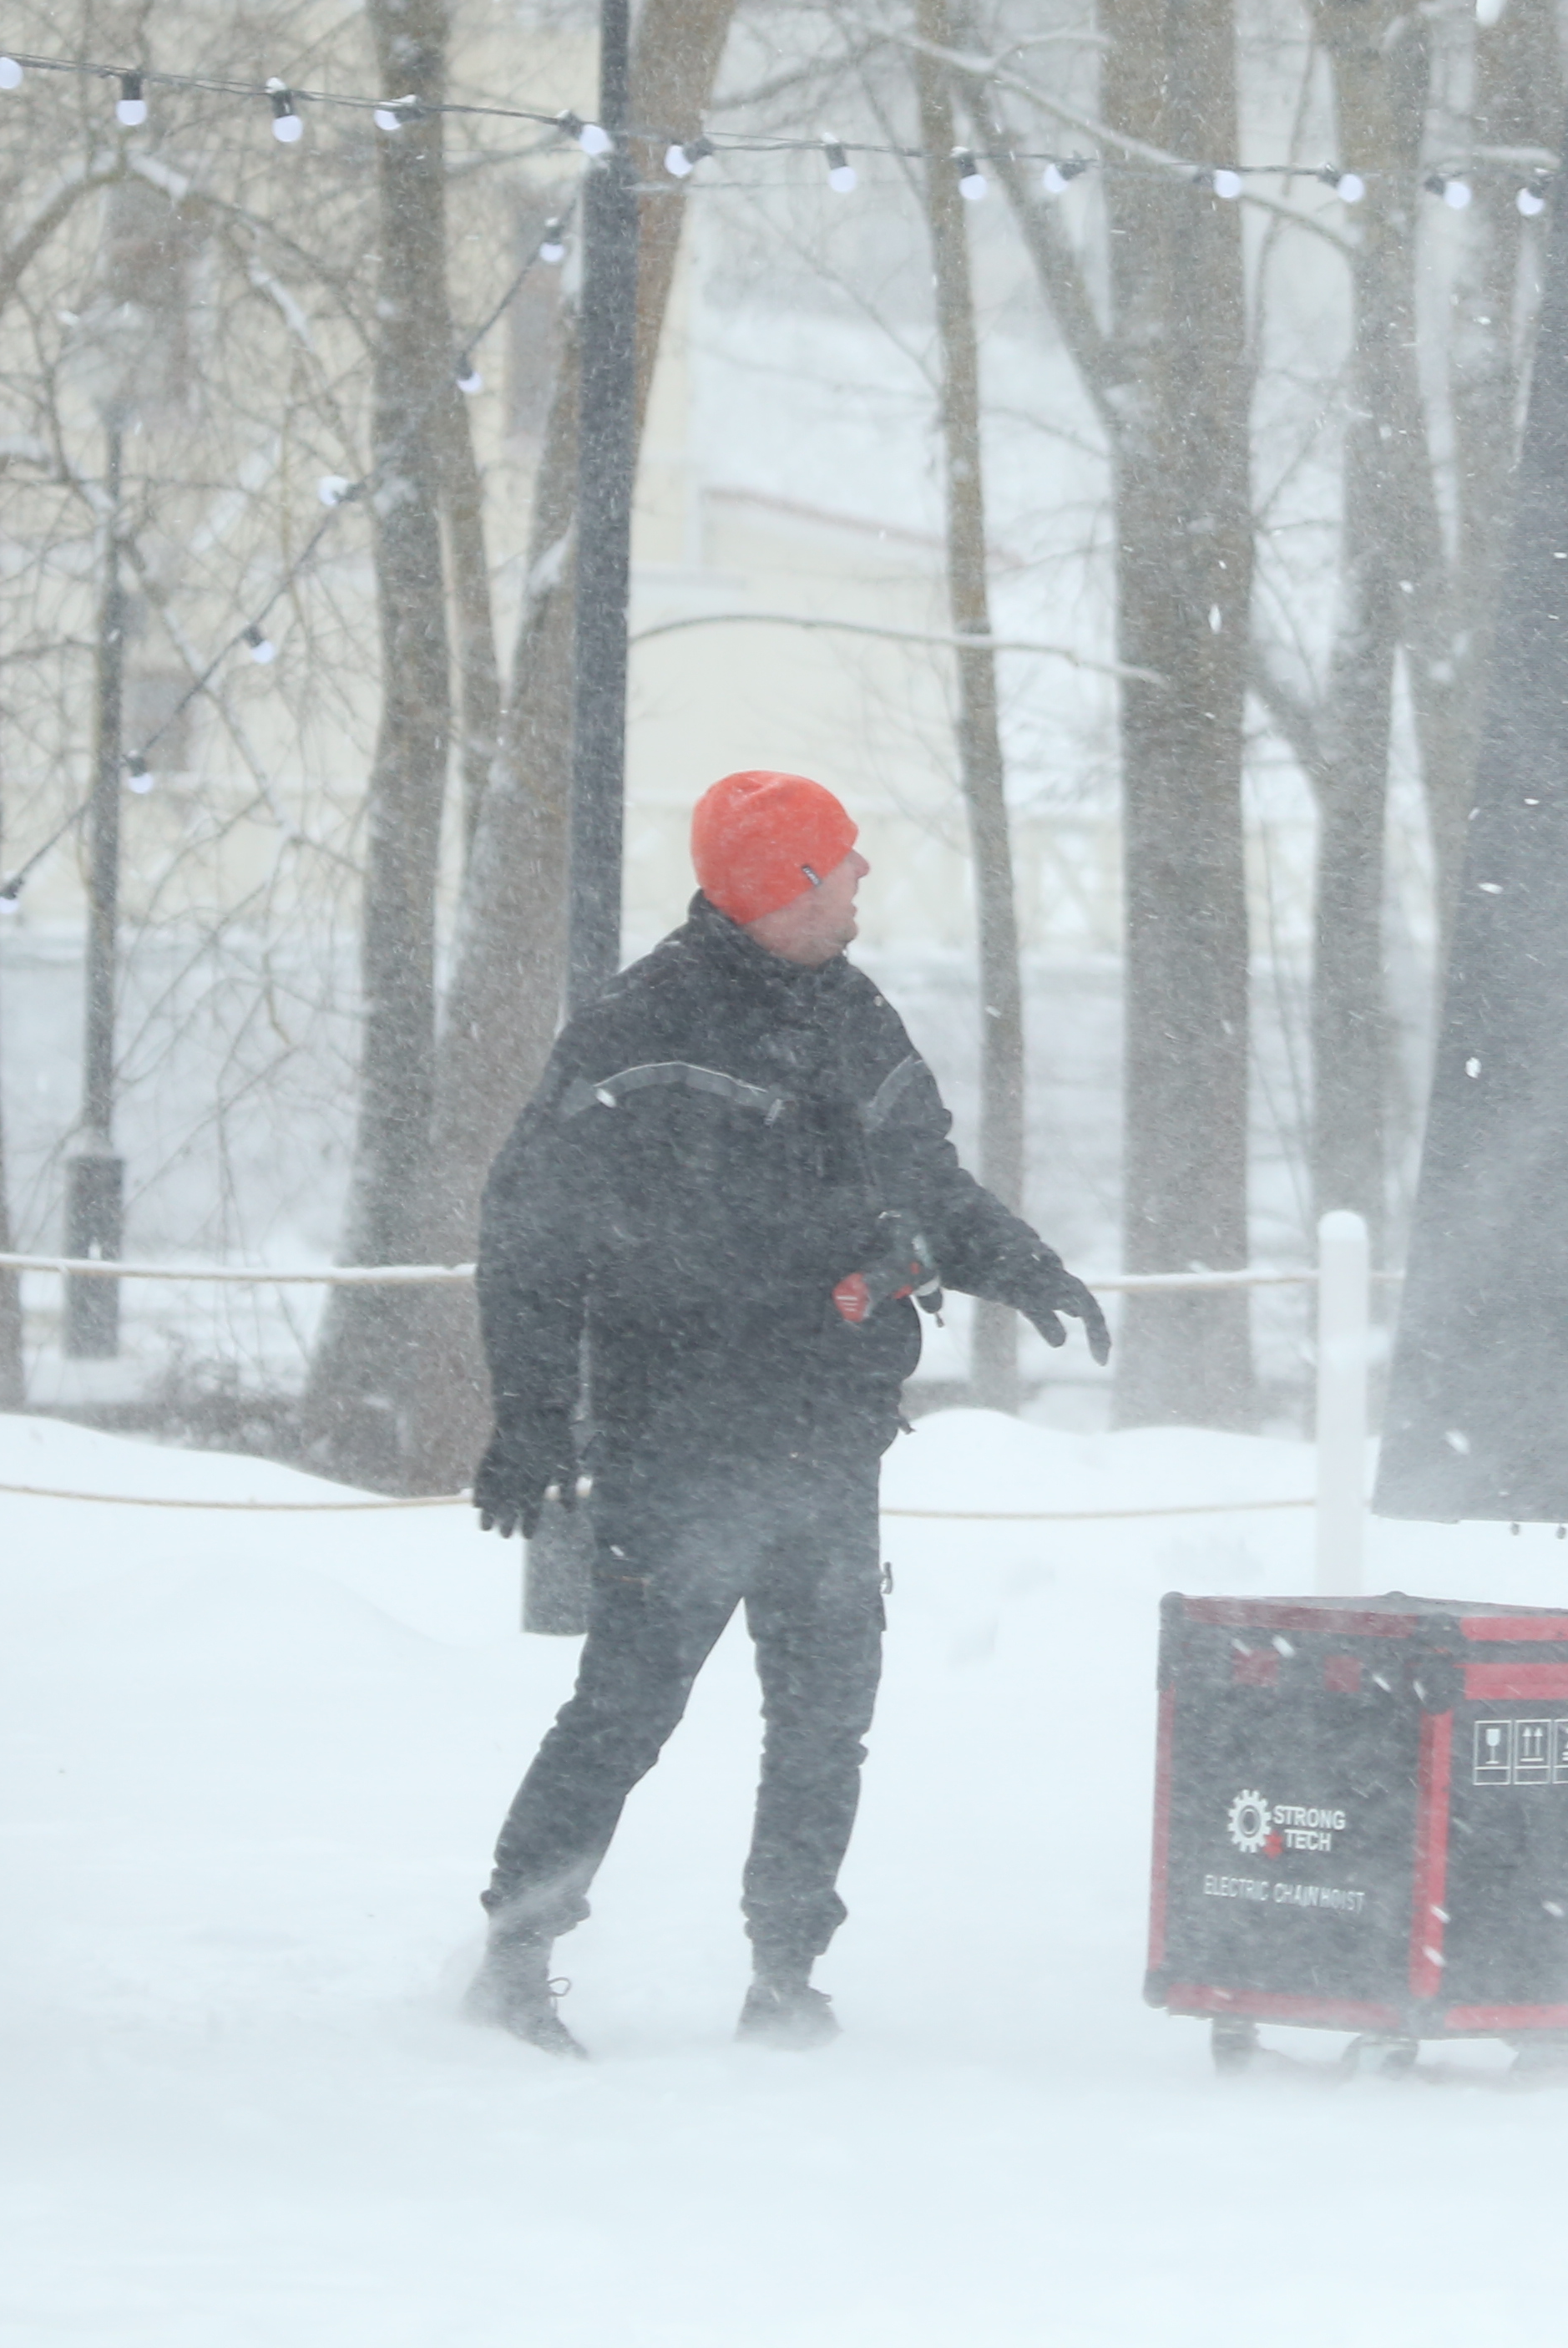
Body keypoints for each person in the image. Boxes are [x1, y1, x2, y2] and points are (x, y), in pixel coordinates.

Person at [460, 769, 1110, 2057]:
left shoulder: (853, 1015)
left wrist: (1021, 1265)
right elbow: (526, 1233)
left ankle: (786, 1974)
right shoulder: (636, 1032)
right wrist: (531, 1413)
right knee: (627, 1707)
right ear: (784, 883)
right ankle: (517, 1956)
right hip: (678, 1441)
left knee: (824, 1718)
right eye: (842, 860)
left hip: (829, 1438)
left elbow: (927, 1181)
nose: (862, 876)